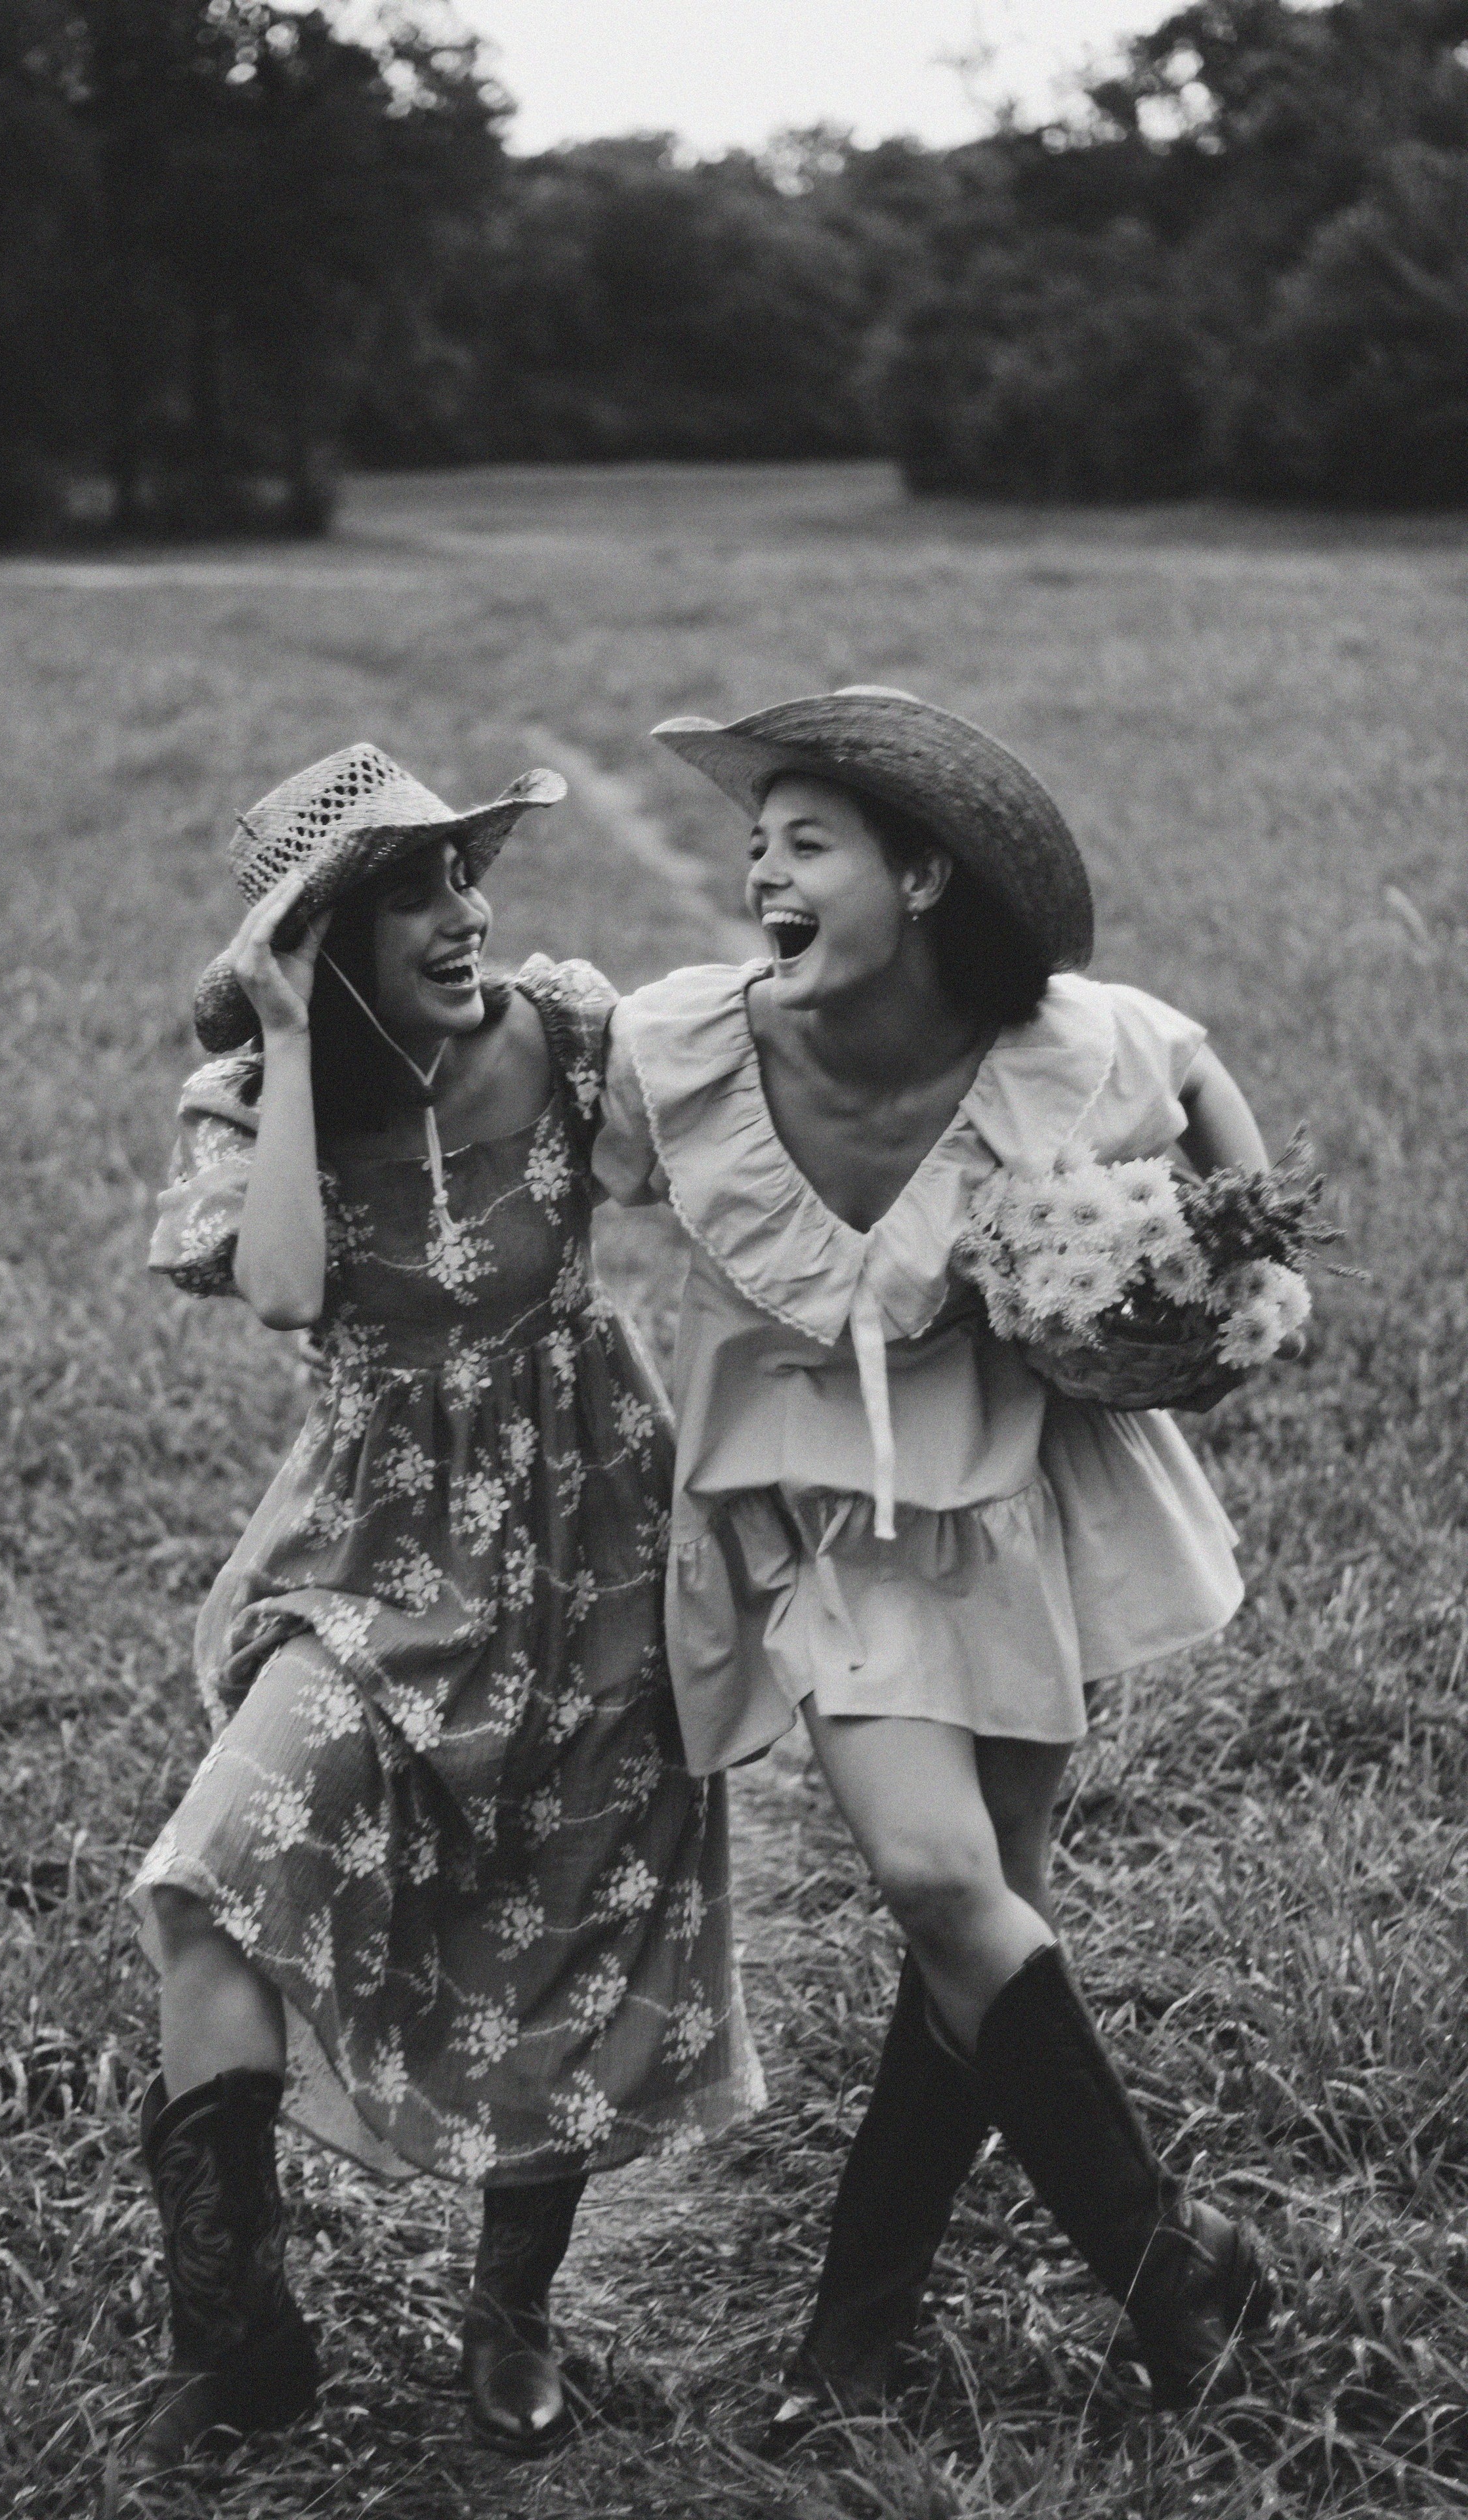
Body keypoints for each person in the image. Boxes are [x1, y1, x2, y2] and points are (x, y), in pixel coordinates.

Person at [592, 687, 1272, 2426]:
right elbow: (505, 1097)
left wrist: (1240, 1273)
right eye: (755, 846)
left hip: (1028, 1496)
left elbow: (1191, 1074)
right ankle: (1166, 2263)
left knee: (980, 1931)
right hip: (832, 1524)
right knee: (935, 1878)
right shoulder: (689, 1053)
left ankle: (855, 2332)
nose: (764, 869)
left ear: (926, 877)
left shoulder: (1064, 1044)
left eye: (807, 842)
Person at [131, 742, 761, 2472]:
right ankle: (237, 2325)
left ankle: (513, 2318)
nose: (466, 914)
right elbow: (278, 1291)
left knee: (574, 1909)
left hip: (591, 1532)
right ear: (323, 930)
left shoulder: (563, 1034)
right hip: (376, 1550)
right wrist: (279, 1036)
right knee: (214, 1873)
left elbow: (718, 1181)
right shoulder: (262, 1097)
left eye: (467, 874)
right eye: (414, 888)